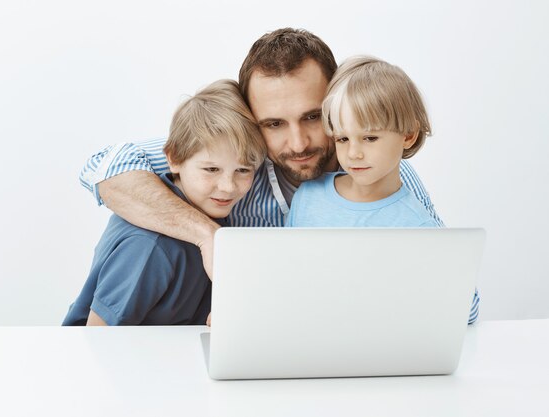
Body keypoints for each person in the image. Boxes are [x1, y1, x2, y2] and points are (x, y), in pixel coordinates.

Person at [78, 28, 479, 324]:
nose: (298, 142)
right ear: (251, 120)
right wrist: (208, 235)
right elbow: (106, 168)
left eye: (312, 116)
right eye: (273, 124)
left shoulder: (379, 173)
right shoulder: (234, 161)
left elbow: (452, 289)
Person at [63, 79, 266, 326]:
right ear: (174, 158)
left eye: (243, 170)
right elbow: (98, 336)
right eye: (211, 169)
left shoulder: (214, 212)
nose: (228, 186)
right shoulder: (150, 246)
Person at [287, 56, 439, 228]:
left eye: (369, 138)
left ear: (409, 135)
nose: (353, 153)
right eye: (343, 139)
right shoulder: (308, 196)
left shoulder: (419, 226)